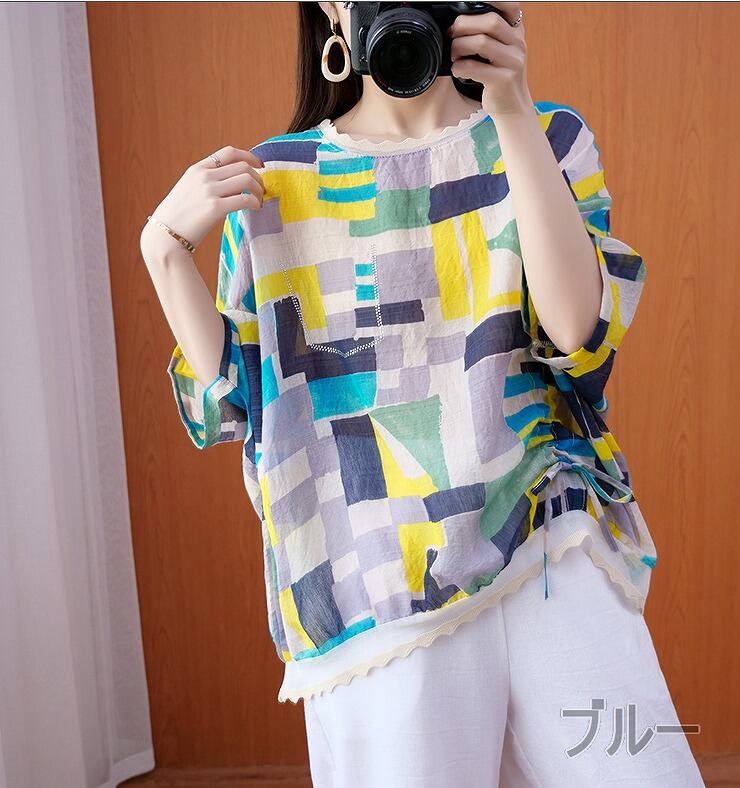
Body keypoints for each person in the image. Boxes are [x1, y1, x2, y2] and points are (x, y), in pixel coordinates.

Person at [140, 2, 705, 785]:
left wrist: (510, 107)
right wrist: (163, 252)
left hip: (548, 538)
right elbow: (241, 400)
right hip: (371, 574)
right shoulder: (273, 182)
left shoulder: (548, 133)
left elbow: (577, 330)